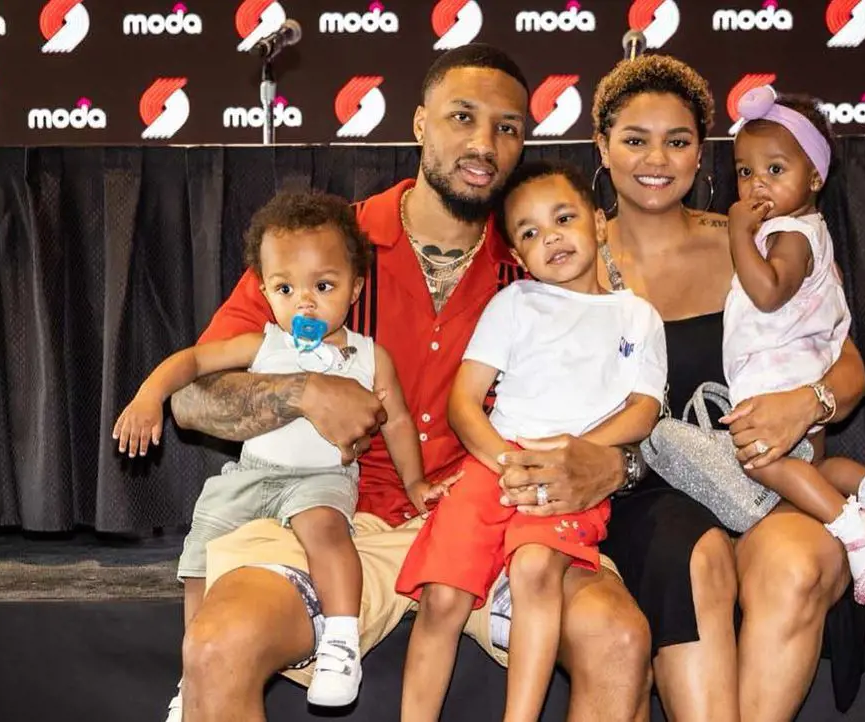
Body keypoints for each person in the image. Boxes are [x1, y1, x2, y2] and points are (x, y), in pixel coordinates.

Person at [168, 44, 652, 722]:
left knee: (619, 639)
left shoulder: (542, 268)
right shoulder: (324, 248)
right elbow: (191, 400)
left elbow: (637, 405)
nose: (484, 143)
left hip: (495, 520)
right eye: (463, 117)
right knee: (218, 645)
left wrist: (615, 464)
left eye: (508, 128)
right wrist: (301, 390)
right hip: (327, 515)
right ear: (420, 124)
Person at [493, 54, 865, 722]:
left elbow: (848, 368)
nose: (656, 159)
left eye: (678, 140)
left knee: (799, 565)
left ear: (704, 154)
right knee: (691, 560)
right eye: (635, 139)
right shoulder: (566, 256)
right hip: (628, 493)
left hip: (759, 481)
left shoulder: (756, 248)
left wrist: (804, 404)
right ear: (601, 148)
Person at [113, 191, 435, 709]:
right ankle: (192, 679)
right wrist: (149, 396)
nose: (304, 302)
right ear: (265, 290)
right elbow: (192, 363)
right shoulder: (264, 343)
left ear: (355, 288)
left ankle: (340, 641)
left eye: (323, 286)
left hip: (320, 477)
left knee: (326, 531)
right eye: (286, 288)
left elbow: (397, 423)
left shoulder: (370, 356)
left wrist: (416, 483)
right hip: (253, 472)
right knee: (198, 561)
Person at [396, 161, 666, 722]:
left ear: (598, 222)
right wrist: (505, 459)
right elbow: (463, 402)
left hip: (566, 481)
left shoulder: (637, 316)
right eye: (530, 233)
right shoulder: (515, 303)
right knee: (442, 597)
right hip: (493, 466)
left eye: (563, 218)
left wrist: (571, 453)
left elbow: (644, 409)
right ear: (518, 257)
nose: (551, 238)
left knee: (536, 568)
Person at [724, 85, 865, 605]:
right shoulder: (808, 227)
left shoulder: (789, 233)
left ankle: (850, 523)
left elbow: (769, 293)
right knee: (809, 468)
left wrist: (737, 235)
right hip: (800, 367)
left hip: (778, 374)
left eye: (775, 170)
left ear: (815, 176)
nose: (756, 185)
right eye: (745, 172)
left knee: (759, 461)